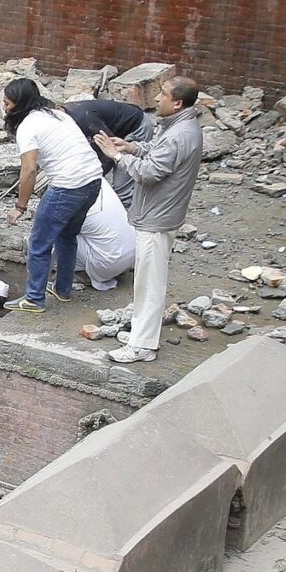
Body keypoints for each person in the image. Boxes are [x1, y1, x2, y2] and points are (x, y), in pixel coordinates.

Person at [94, 75, 207, 364]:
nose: (157, 99)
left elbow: (149, 173)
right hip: (159, 214)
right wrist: (131, 148)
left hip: (158, 218)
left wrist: (116, 157)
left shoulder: (180, 134)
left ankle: (142, 346)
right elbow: (158, 157)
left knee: (149, 284)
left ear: (178, 102)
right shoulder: (180, 127)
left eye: (163, 95)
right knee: (147, 281)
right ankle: (141, 336)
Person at [4, 78, 105, 312]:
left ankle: (34, 299)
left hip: (67, 186)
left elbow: (29, 170)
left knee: (38, 243)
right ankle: (63, 289)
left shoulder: (28, 127)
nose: (4, 108)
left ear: (19, 104)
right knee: (67, 236)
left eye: (7, 104)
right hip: (93, 180)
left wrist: (20, 207)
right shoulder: (56, 114)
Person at [75, 175, 138, 291]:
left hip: (108, 262)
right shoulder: (98, 179)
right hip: (132, 252)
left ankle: (76, 274)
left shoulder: (73, 193)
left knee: (59, 234)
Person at [65, 96, 149, 149]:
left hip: (138, 126)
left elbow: (108, 145)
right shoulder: (65, 112)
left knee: (124, 175)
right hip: (120, 128)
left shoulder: (82, 118)